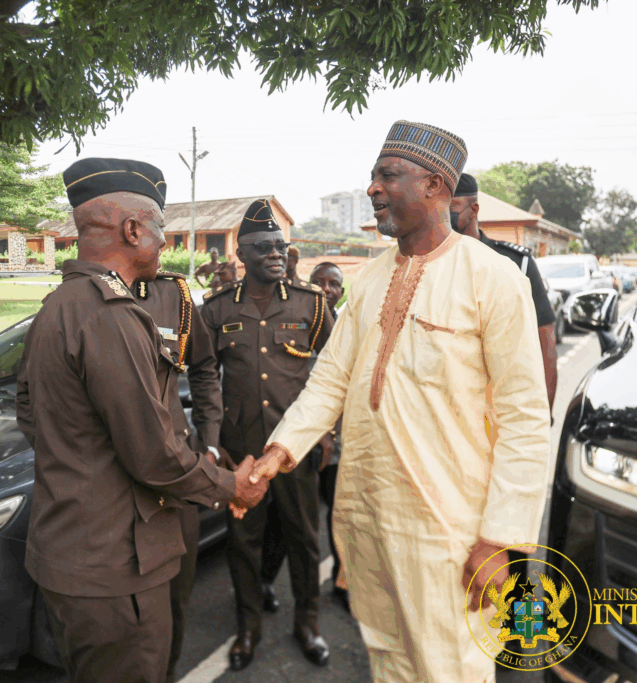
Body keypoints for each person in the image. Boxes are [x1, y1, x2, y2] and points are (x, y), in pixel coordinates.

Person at [253, 121, 552, 683]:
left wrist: (499, 538)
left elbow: (525, 418)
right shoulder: (369, 280)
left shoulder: (492, 277)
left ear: (435, 186)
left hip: (451, 532)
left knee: (450, 668)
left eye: (388, 175)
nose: (372, 188)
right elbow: (331, 379)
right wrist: (279, 451)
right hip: (369, 521)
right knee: (389, 660)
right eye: (373, 177)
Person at [16, 158, 267, 683]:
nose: (164, 243)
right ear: (132, 230)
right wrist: (232, 486)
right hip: (114, 566)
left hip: (81, 553)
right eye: (159, 228)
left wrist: (83, 464)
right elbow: (153, 454)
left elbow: (29, 411)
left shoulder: (60, 305)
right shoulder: (111, 314)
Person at [200, 199, 334, 671]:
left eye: (280, 245)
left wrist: (327, 434)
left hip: (296, 450)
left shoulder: (310, 305)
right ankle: (248, 629)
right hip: (242, 454)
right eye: (263, 247)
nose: (276, 253)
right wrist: (214, 444)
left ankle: (308, 624)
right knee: (243, 544)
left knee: (304, 540)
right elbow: (205, 378)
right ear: (242, 254)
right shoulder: (217, 310)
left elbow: (333, 373)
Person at [131, 269, 224, 683]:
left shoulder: (174, 296)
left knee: (174, 599)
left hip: (176, 479)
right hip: (116, 483)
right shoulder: (82, 297)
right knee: (122, 612)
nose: (160, 241)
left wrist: (211, 442)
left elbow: (203, 367)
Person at [259, 261, 346, 613]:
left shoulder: (350, 326)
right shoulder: (298, 321)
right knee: (285, 517)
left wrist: (331, 433)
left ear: (341, 291)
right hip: (300, 442)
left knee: (340, 516)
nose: (326, 288)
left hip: (339, 445)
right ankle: (265, 580)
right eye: (318, 282)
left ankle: (342, 581)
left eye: (333, 283)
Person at [450, 173, 559, 407]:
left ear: (474, 209)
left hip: (504, 402)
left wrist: (546, 408)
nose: (445, 215)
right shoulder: (430, 264)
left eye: (452, 206)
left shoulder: (517, 263)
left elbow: (544, 337)